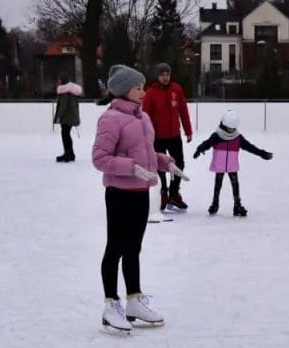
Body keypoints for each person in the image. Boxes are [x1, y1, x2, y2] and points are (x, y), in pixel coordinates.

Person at [91, 64, 184, 333]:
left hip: (141, 192)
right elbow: (100, 158)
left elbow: (146, 153)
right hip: (119, 193)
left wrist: (165, 162)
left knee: (133, 248)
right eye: (138, 88)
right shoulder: (110, 119)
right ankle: (111, 304)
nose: (143, 92)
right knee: (115, 248)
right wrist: (130, 168)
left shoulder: (142, 118)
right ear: (123, 91)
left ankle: (134, 299)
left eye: (143, 87)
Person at [193, 110, 273, 216]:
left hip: (232, 166)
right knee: (217, 186)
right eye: (229, 128)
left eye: (233, 128)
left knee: (235, 186)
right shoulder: (217, 136)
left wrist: (261, 153)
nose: (231, 131)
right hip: (220, 166)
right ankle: (215, 205)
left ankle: (237, 206)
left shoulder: (237, 138)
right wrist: (199, 150)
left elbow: (249, 147)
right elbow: (207, 143)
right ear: (223, 125)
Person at [143, 63, 193, 211]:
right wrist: (146, 136)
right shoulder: (150, 92)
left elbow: (183, 111)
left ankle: (174, 193)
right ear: (157, 76)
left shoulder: (177, 89)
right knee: (160, 166)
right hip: (157, 137)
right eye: (162, 75)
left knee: (179, 164)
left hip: (174, 136)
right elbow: (145, 116)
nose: (165, 78)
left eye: (167, 74)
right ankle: (163, 193)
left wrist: (188, 130)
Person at [52, 74, 83, 162]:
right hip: (71, 116)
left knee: (65, 135)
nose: (58, 81)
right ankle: (70, 153)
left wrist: (59, 116)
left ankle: (68, 154)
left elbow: (63, 106)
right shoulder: (71, 92)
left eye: (59, 79)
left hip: (66, 117)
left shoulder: (64, 92)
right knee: (67, 134)